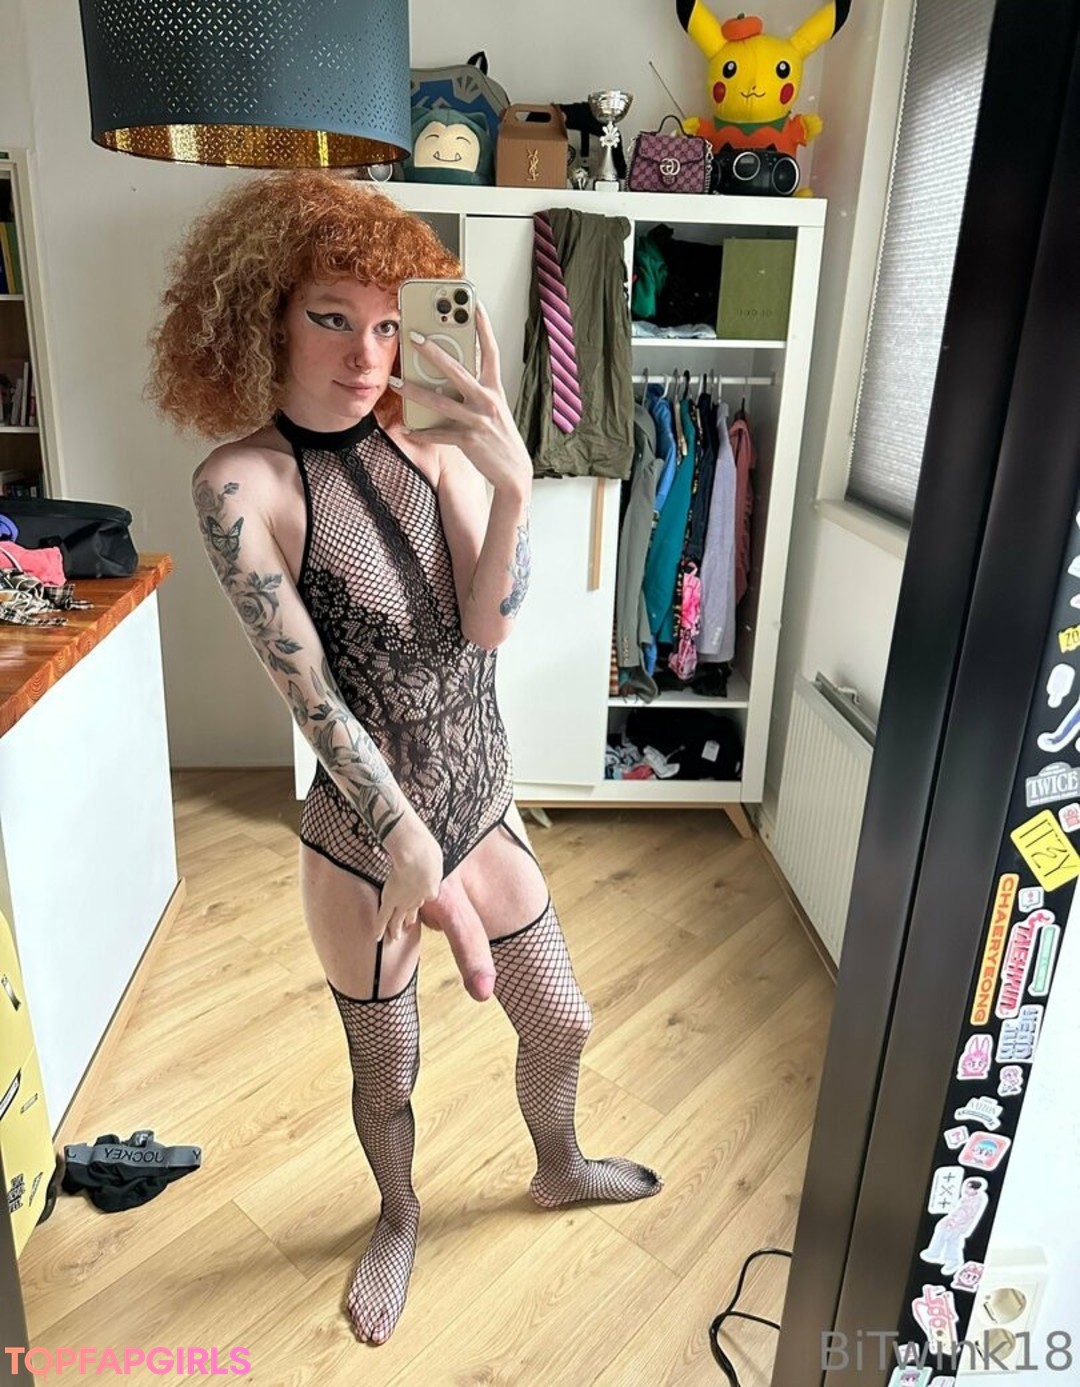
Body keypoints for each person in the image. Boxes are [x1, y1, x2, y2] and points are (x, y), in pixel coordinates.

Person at [146, 169, 662, 1348]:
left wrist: (513, 484)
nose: (366, 354)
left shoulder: (426, 444)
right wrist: (403, 836)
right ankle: (399, 1214)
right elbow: (310, 693)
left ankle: (558, 1161)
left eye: (388, 325)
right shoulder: (240, 483)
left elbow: (487, 624)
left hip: (480, 803)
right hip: (367, 835)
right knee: (389, 1070)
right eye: (332, 317)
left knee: (565, 1022)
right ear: (264, 317)